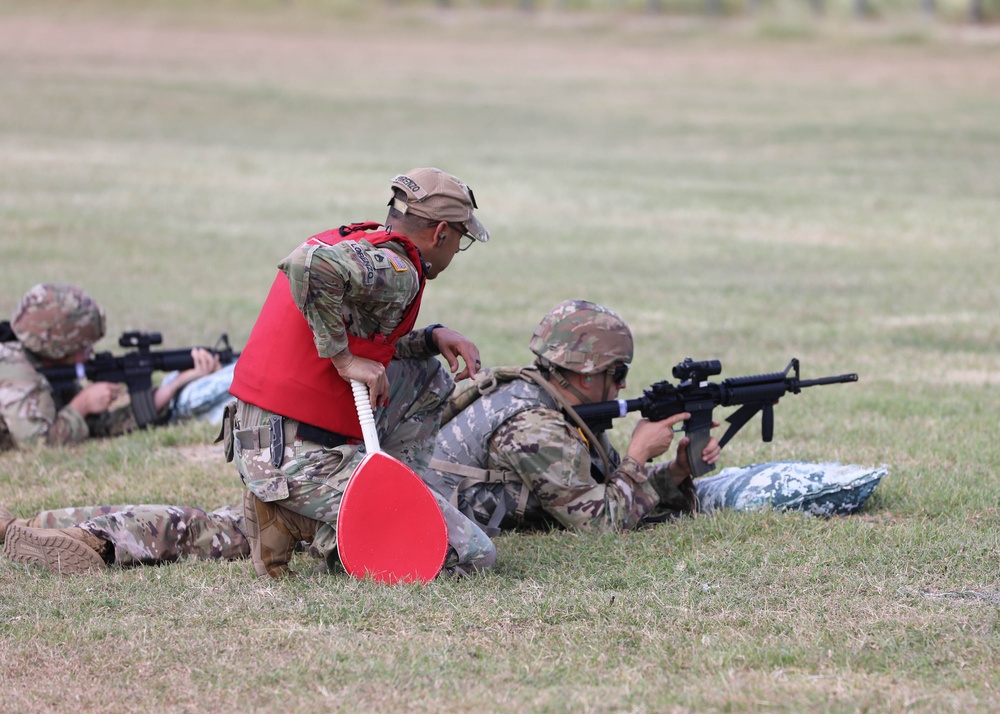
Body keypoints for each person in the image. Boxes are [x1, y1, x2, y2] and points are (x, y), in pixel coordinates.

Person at [225, 167, 496, 579]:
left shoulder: (361, 240)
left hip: (265, 433)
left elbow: (362, 331)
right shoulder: (398, 270)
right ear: (441, 233)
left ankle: (389, 495)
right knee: (469, 556)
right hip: (288, 452)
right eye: (461, 240)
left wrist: (431, 338)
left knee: (428, 374)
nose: (456, 249)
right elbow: (306, 265)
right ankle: (298, 520)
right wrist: (343, 360)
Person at [424, 299, 723, 536]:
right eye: (618, 373)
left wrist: (676, 470)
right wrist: (639, 453)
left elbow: (607, 487)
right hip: (427, 519)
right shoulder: (534, 425)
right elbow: (600, 524)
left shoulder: (553, 400)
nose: (623, 385)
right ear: (588, 376)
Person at [0, 282, 224, 451]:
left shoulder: (44, 363)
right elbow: (39, 444)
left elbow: (93, 427)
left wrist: (172, 387)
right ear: (57, 346)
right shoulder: (14, 370)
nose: (90, 352)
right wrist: (83, 404)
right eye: (83, 346)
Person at [1, 503, 248, 575]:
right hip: (259, 503)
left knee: (190, 523)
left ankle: (92, 540)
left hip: (267, 517)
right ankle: (23, 527)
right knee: (146, 512)